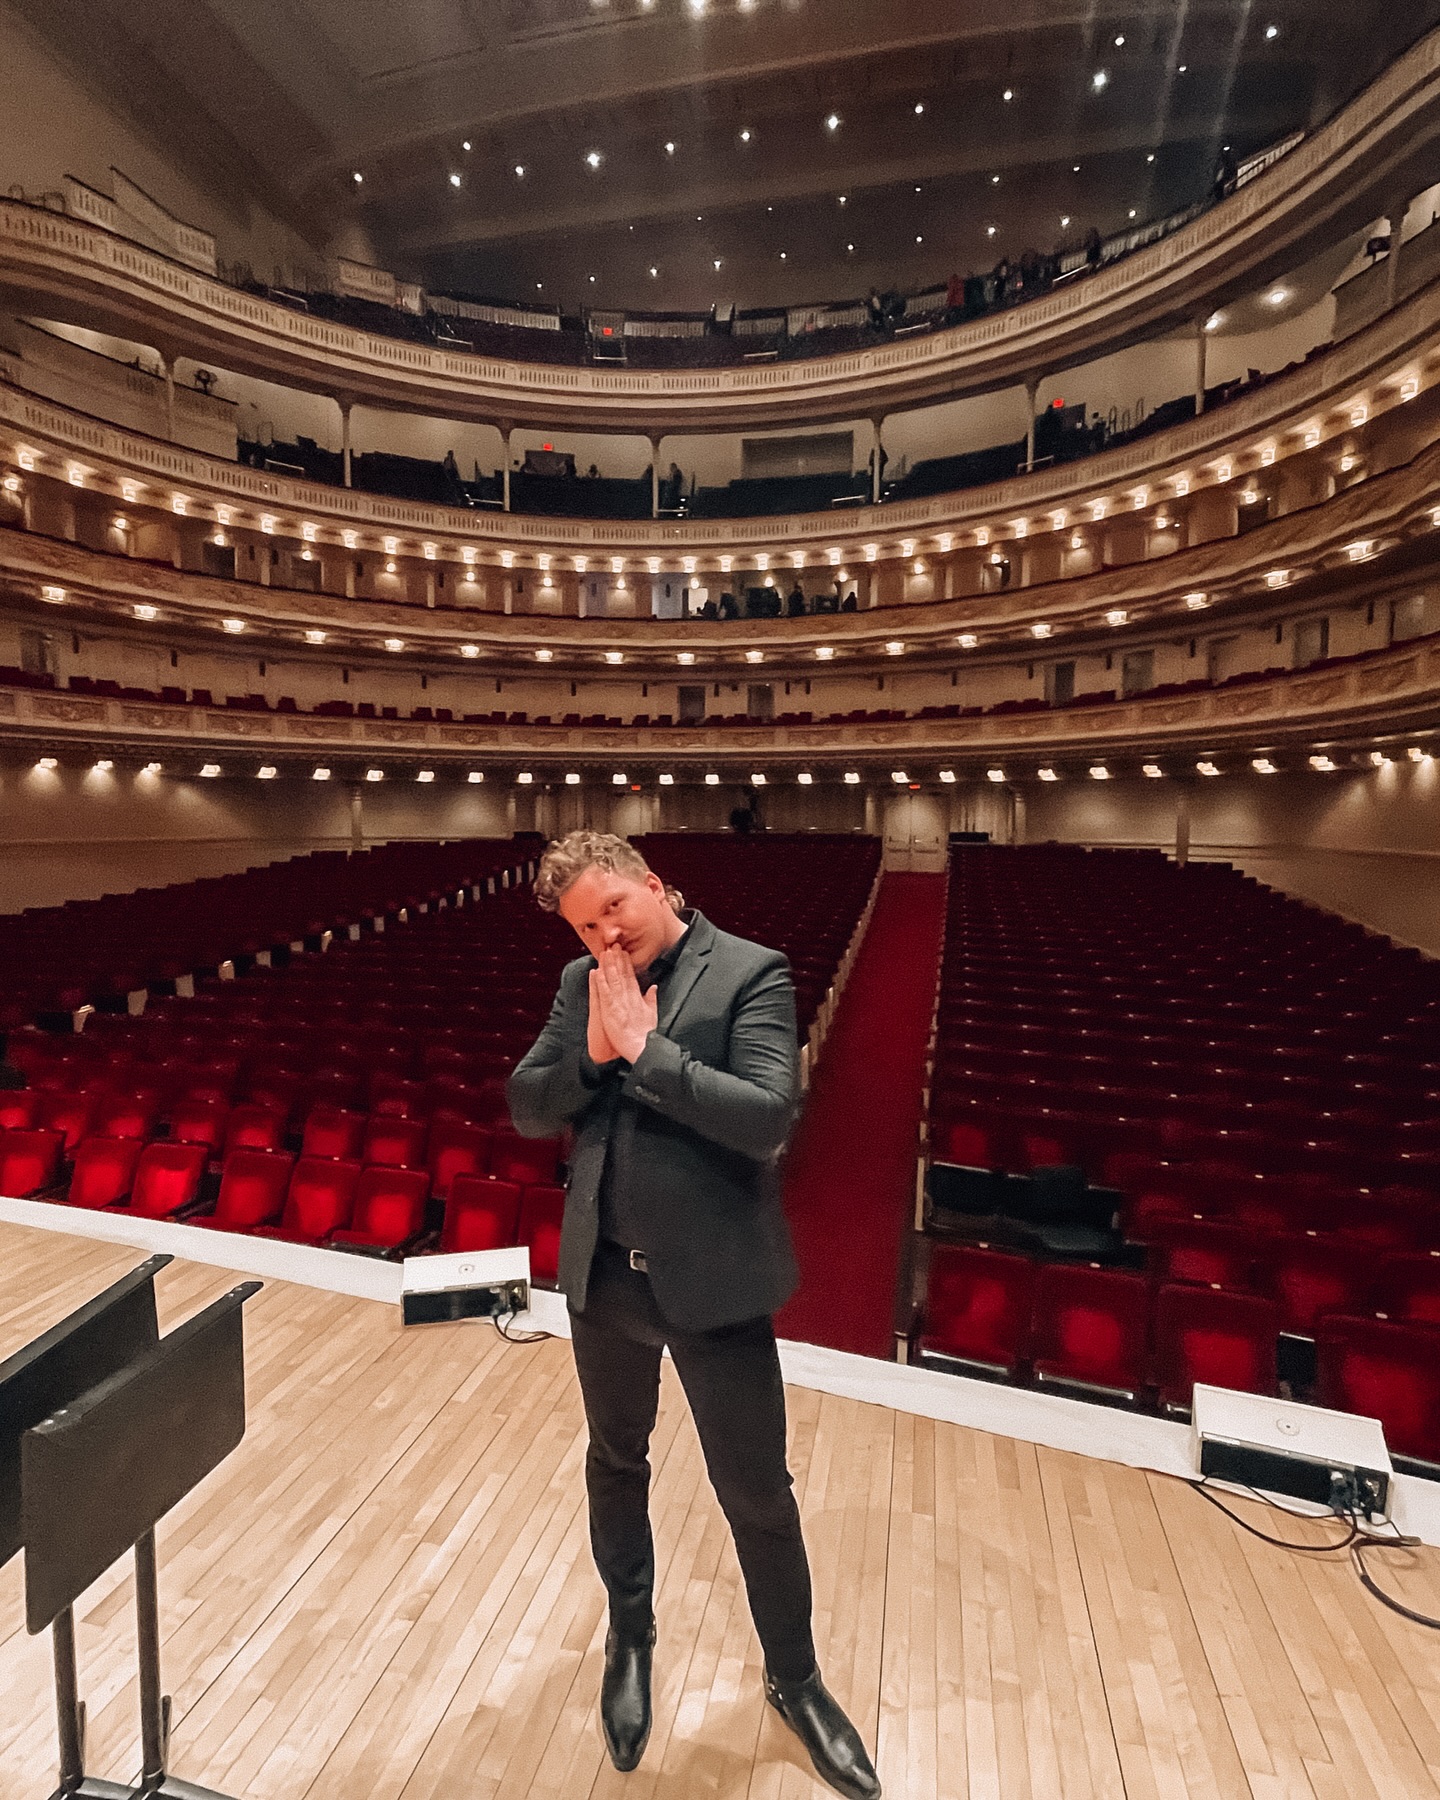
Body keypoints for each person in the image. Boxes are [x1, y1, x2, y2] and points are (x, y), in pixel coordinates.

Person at [508, 833, 880, 1800]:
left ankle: (795, 1680)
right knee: (614, 1461)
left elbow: (766, 1115)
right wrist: (592, 1052)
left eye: (615, 911)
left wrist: (643, 1050)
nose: (607, 938)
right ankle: (631, 1637)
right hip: (605, 1280)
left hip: (714, 1285)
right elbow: (528, 1106)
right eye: (587, 927)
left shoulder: (752, 970)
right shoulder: (579, 983)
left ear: (656, 884)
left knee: (757, 1494)